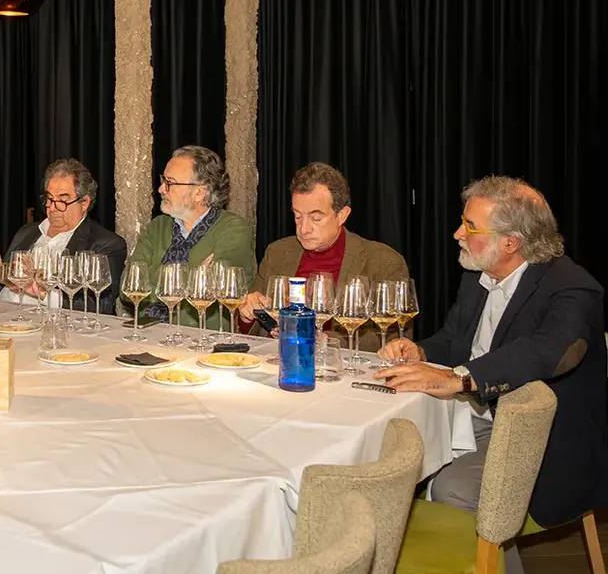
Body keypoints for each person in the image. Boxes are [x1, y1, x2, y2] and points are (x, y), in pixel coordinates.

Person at [376, 176, 607, 573]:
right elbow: (455, 339)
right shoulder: (478, 276)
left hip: (546, 444)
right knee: (386, 454)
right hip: (480, 417)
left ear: (511, 242)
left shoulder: (572, 290)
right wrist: (422, 350)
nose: (456, 234)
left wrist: (461, 380)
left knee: (449, 490)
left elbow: (548, 353)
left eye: (469, 226)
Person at [238, 162, 409, 350]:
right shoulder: (277, 253)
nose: (303, 228)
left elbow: (396, 334)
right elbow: (254, 333)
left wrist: (328, 340)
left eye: (316, 218)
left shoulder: (383, 261)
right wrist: (247, 316)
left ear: (342, 215)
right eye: (297, 216)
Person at [125, 146, 256, 330]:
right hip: (147, 334)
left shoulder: (232, 228)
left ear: (199, 192)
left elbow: (216, 287)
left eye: (170, 183)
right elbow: (130, 285)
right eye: (163, 180)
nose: (161, 189)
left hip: (203, 342)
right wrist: (194, 275)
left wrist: (155, 278)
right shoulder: (158, 226)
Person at [0, 158, 127, 314]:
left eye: (62, 201)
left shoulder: (105, 244)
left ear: (84, 203)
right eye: (49, 199)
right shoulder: (27, 232)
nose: (52, 208)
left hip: (51, 326)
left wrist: (41, 293)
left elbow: (99, 304)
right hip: (1, 317)